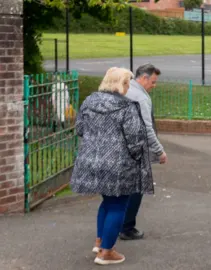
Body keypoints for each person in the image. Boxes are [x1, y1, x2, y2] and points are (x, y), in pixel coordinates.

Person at [70, 67, 154, 265]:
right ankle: (106, 252)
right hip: (119, 165)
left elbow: (80, 129)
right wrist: (137, 157)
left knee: (107, 202)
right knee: (118, 204)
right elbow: (135, 141)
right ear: (118, 83)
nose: (127, 87)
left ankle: (100, 242)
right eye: (126, 83)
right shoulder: (127, 107)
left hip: (91, 161)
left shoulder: (89, 101)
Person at [119, 63, 167, 241]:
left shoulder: (124, 89)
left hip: (121, 147)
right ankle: (127, 227)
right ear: (144, 78)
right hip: (136, 150)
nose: (154, 86)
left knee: (121, 190)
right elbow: (147, 128)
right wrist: (159, 151)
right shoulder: (140, 97)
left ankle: (118, 225)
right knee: (136, 188)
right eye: (153, 82)